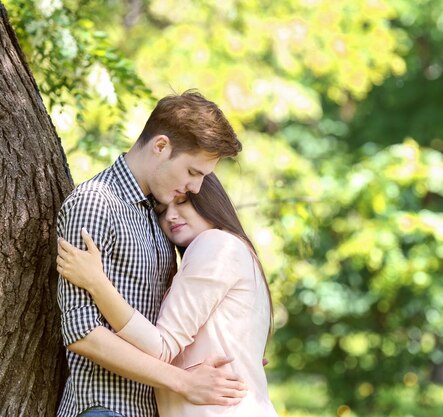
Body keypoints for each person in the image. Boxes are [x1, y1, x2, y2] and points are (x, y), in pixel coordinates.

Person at [56, 91, 247, 417]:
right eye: (193, 172)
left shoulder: (158, 215)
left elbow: (166, 325)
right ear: (161, 146)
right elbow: (81, 333)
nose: (196, 188)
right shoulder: (96, 203)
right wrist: (185, 383)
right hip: (104, 408)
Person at [57, 173, 278, 417]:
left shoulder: (217, 245)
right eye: (161, 211)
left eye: (182, 202)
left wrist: (97, 284)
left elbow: (161, 346)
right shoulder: (235, 251)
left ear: (211, 200)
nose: (170, 216)